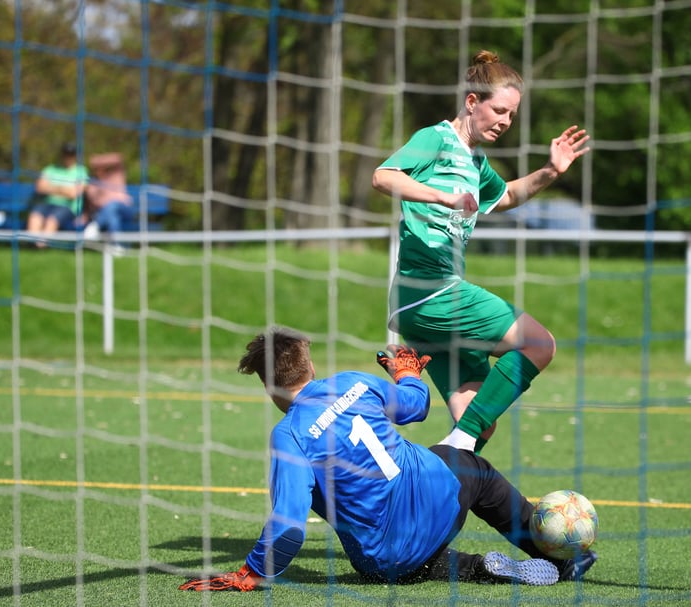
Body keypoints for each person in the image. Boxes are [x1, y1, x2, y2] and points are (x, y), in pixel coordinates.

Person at [178, 327, 597, 592]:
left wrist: (251, 573)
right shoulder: (354, 383)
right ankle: (555, 551)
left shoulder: (288, 437)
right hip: (442, 500)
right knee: (473, 468)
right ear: (309, 363)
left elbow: (288, 526)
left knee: (391, 566)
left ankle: (478, 568)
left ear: (269, 387)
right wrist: (406, 373)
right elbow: (416, 406)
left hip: (390, 556)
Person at [371, 50, 591, 453]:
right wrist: (442, 196)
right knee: (539, 344)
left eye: (512, 114)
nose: (506, 122)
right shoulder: (436, 139)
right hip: (432, 293)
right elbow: (383, 176)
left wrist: (550, 171)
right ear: (473, 102)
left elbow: (505, 195)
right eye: (500, 110)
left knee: (478, 426)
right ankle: (454, 441)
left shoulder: (475, 161)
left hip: (419, 313)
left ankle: (421, 500)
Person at [26, 142, 89, 247]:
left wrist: (52, 188)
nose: (68, 157)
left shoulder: (81, 171)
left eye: (71, 154)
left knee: (52, 220)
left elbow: (74, 194)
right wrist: (63, 190)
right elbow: (40, 187)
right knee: (35, 217)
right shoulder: (50, 169)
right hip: (47, 203)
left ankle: (41, 247)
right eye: (66, 154)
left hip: (68, 207)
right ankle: (33, 246)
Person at [83, 153, 136, 246]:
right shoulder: (92, 184)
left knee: (113, 205)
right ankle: (117, 246)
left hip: (125, 209)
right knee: (113, 217)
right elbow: (96, 203)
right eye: (97, 168)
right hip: (106, 212)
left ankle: (96, 226)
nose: (100, 170)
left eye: (103, 167)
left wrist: (98, 162)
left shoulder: (116, 175)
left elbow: (118, 158)